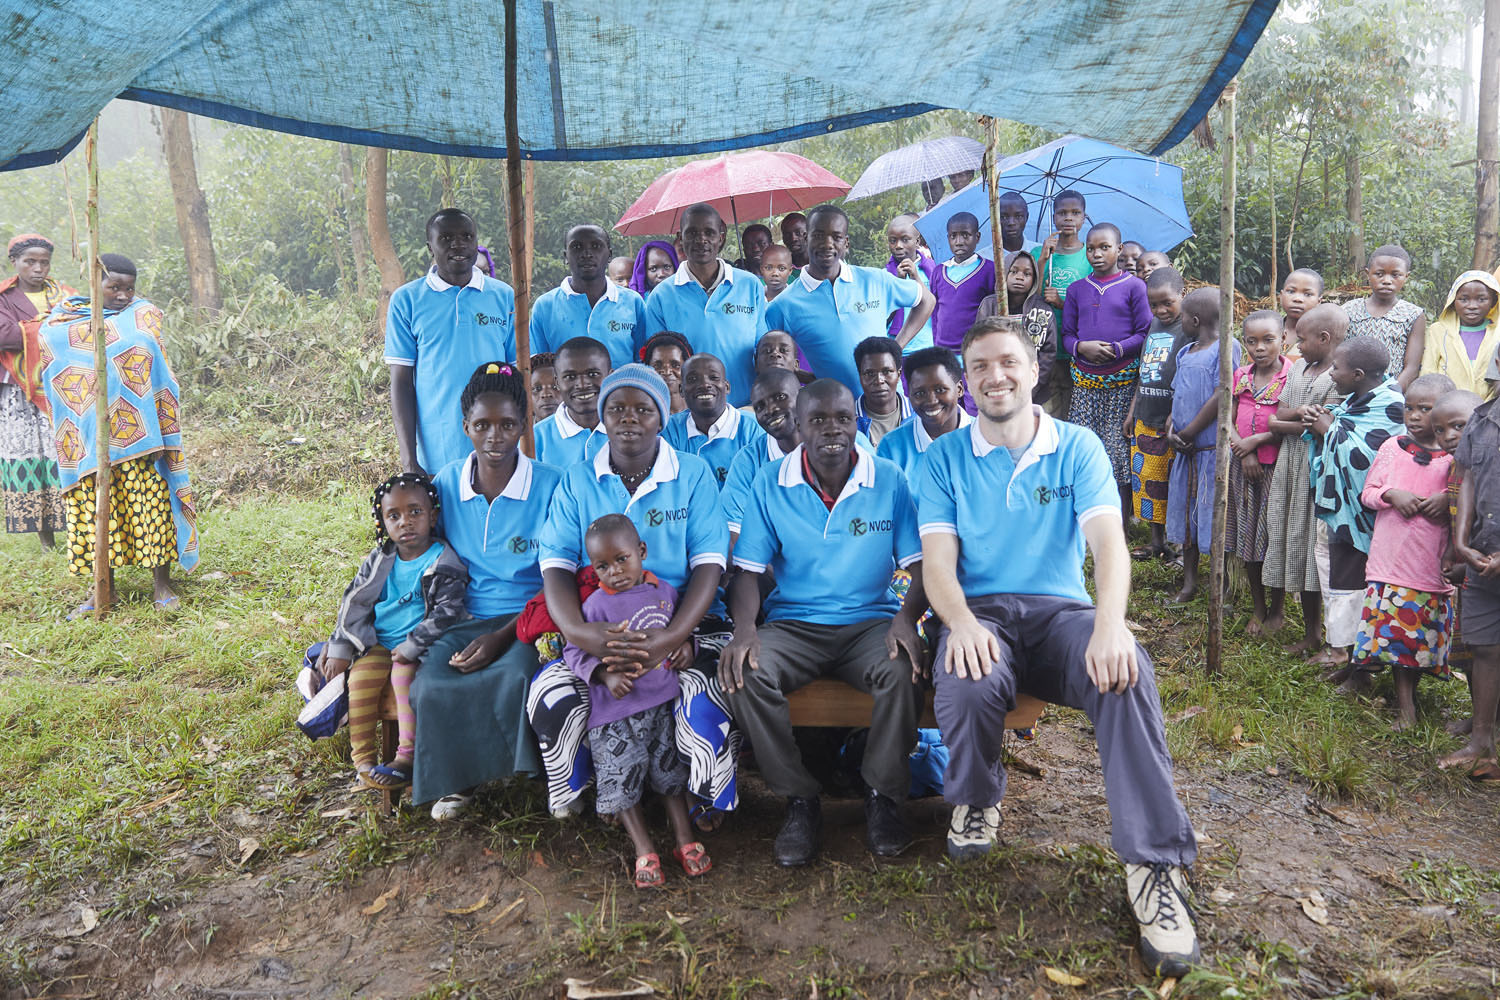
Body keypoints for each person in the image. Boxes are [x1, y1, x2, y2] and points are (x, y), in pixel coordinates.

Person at [917, 316, 1199, 977]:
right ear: (966, 381)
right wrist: (959, 624)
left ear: (1035, 368)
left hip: (1060, 614)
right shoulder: (944, 459)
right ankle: (977, 799)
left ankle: (1154, 865)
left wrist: (1110, 624)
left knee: (1126, 675)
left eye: (1007, 362)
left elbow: (1108, 546)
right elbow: (936, 564)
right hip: (981, 612)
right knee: (967, 677)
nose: (996, 376)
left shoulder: (1076, 447)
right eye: (981, 366)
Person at [720, 379, 927, 865]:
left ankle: (881, 796)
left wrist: (906, 619)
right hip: (795, 624)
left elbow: (921, 568)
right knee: (745, 672)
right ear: (797, 425)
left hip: (870, 622)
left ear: (856, 422)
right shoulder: (771, 482)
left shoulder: (889, 479)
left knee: (903, 669)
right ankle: (799, 799)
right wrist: (745, 631)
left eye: (842, 419)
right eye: (818, 420)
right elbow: (747, 573)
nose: (832, 429)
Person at [536, 364, 739, 828]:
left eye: (643, 409)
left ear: (662, 417)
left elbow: (709, 565)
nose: (629, 419)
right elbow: (556, 567)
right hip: (599, 628)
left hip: (688, 625)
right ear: (602, 418)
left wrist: (670, 639)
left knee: (702, 696)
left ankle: (702, 797)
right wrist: (580, 633)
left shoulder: (692, 473)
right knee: (551, 692)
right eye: (617, 409)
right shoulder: (578, 480)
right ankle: (600, 792)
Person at [413, 362, 562, 819]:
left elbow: (561, 576)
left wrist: (504, 635)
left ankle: (530, 776)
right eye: (482, 425)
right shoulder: (445, 484)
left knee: (516, 674)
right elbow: (423, 556)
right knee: (431, 683)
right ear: (465, 427)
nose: (494, 437)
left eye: (507, 425)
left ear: (524, 424)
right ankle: (458, 781)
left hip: (529, 618)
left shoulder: (551, 484)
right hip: (461, 616)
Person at [38, 254, 197, 617]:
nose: (124, 295)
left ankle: (162, 584)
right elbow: (55, 370)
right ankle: (100, 590)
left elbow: (153, 365)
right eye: (114, 287)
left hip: (140, 435)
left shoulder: (143, 316)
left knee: (150, 507)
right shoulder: (62, 321)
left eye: (129, 287)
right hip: (87, 436)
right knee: (94, 514)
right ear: (95, 284)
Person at [564, 514, 711, 887]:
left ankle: (684, 839)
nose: (614, 571)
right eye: (602, 566)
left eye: (622, 559)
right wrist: (604, 675)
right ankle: (644, 849)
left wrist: (687, 651)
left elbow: (682, 632)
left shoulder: (664, 593)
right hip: (615, 715)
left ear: (641, 551)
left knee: (671, 774)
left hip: (662, 704)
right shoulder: (595, 607)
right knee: (622, 777)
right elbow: (574, 651)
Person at [320, 473, 468, 790]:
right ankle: (363, 761)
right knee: (359, 681)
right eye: (394, 516)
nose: (406, 522)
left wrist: (413, 645)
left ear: (434, 516)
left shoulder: (444, 561)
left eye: (415, 512)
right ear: (382, 523)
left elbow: (448, 611)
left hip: (419, 646)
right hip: (377, 643)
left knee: (403, 677)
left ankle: (406, 756)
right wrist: (340, 648)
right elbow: (353, 603)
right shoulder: (380, 560)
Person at [1350, 374, 1458, 728]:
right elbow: (1369, 493)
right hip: (1390, 562)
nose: (1413, 415)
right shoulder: (1392, 448)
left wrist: (1448, 499)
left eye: (1424, 409)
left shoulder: (1454, 461)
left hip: (1429, 566)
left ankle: (1410, 701)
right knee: (1396, 637)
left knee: (1418, 638)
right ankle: (1405, 708)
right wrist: (1392, 494)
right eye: (1409, 407)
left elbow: (1465, 500)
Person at [386, 208, 517, 475]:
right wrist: (410, 461)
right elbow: (401, 383)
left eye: (466, 236)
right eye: (445, 238)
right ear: (429, 247)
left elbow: (518, 374)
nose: (458, 244)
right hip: (438, 450)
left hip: (498, 445)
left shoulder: (503, 296)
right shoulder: (407, 300)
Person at [1308, 338, 1405, 675]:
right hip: (1342, 508)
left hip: (1362, 513)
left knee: (1352, 581)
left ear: (1359, 374)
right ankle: (1343, 649)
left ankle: (1354, 656)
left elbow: (1371, 459)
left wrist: (1329, 428)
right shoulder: (1357, 398)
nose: (1332, 373)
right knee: (1338, 578)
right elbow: (1347, 425)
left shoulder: (1392, 404)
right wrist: (1328, 418)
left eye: (1337, 368)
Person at [765, 205, 934, 395]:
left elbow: (926, 300)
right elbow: (771, 361)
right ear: (806, 238)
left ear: (846, 243)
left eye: (836, 237)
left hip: (890, 409)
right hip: (834, 415)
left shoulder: (876, 279)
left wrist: (896, 347)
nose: (828, 244)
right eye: (819, 235)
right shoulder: (783, 306)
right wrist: (808, 378)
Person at [1262, 303, 1348, 659]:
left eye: (1302, 339)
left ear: (1324, 338)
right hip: (1288, 468)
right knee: (1292, 540)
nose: (1296, 345)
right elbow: (1277, 417)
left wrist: (1288, 424)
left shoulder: (1339, 377)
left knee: (1316, 549)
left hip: (1317, 473)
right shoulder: (1298, 369)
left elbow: (1323, 427)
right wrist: (1297, 417)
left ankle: (1327, 636)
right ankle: (1310, 631)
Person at [1062, 223, 1152, 504]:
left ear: (1119, 249)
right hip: (1085, 386)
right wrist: (1081, 347)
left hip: (1122, 385)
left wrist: (1118, 348)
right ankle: (1085, 518)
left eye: (1104, 247)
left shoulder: (1134, 287)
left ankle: (1120, 528)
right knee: (1083, 451)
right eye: (1091, 249)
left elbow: (1145, 332)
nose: (1096, 254)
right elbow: (1066, 335)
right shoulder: (1077, 289)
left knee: (1118, 453)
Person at [643, 203, 766, 407]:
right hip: (689, 414)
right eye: (692, 233)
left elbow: (761, 348)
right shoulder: (661, 295)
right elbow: (658, 365)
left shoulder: (749, 285)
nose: (701, 240)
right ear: (680, 238)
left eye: (709, 232)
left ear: (722, 236)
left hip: (745, 410)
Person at [1438, 390, 1500, 773]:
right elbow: (1470, 478)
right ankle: (1481, 745)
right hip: (1483, 553)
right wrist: (1462, 542)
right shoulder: (1482, 419)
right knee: (1484, 647)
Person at [1165, 289, 1240, 603]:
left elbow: (1223, 393)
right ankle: (1189, 583)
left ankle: (1219, 586)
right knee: (1185, 515)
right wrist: (1172, 428)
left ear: (1194, 320)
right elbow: (1178, 395)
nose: (1180, 320)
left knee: (1213, 515)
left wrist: (1192, 430)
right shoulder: (1186, 352)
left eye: (1183, 315)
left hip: (1210, 451)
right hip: (1185, 452)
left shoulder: (1227, 348)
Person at [0, 234, 73, 546]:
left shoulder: (65, 295)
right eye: (30, 261)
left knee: (64, 453)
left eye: (44, 261)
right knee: (32, 455)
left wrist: (32, 328)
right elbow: (5, 336)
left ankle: (76, 527)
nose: (38, 267)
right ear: (14, 262)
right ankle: (46, 538)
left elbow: (81, 326)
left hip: (62, 384)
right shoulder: (4, 298)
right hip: (18, 392)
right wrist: (54, 325)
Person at [1226, 311, 1293, 634]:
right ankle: (1258, 606)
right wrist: (1242, 447)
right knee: (1249, 536)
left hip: (1275, 470)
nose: (1260, 348)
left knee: (1273, 537)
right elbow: (1228, 418)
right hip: (1243, 468)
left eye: (1268, 340)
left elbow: (1289, 424)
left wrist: (1256, 442)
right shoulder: (1241, 376)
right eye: (1251, 341)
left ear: (1284, 340)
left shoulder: (1293, 378)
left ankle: (1278, 609)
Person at [1122, 267, 1188, 559]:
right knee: (1147, 483)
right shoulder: (1154, 326)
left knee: (1172, 485)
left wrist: (1179, 412)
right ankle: (1155, 541)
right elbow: (1144, 372)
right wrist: (1132, 412)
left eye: (1167, 303)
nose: (1160, 310)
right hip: (1145, 416)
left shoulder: (1188, 328)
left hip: (1170, 422)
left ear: (1182, 295)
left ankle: (1177, 546)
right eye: (1154, 305)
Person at [529, 224, 648, 368]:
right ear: (566, 256)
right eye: (577, 247)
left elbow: (643, 362)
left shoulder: (633, 302)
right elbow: (539, 365)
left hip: (622, 389)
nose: (587, 254)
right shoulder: (545, 306)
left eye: (596, 246)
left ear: (609, 254)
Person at [662, 353, 766, 487]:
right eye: (693, 379)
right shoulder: (669, 430)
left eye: (714, 377)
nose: (705, 384)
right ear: (681, 390)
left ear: (727, 387)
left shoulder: (754, 429)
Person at [723, 368, 803, 538]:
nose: (770, 410)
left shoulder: (845, 441)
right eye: (759, 406)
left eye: (780, 397)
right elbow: (731, 531)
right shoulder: (748, 460)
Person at [876, 346, 971, 489]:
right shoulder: (891, 447)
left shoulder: (987, 437)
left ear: (959, 389)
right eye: (920, 393)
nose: (931, 401)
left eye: (940, 390)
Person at [1035, 190, 1091, 413]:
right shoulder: (1040, 254)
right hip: (1045, 347)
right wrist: (1041, 262)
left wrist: (1061, 302)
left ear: (1084, 218)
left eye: (1075, 213)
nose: (1069, 218)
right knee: (1048, 410)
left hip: (1076, 347)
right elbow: (1031, 297)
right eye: (1062, 213)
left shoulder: (1090, 256)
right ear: (1054, 218)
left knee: (1073, 407)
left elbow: (1092, 304)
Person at [975, 251, 1055, 405]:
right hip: (995, 386)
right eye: (1013, 271)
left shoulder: (1042, 310)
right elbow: (978, 343)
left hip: (1033, 392)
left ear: (1035, 279)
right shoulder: (989, 305)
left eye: (1027, 273)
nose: (1020, 277)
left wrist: (1031, 387)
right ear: (1003, 273)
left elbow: (1048, 354)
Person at [1343, 245, 1424, 390]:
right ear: (1368, 274)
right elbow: (1338, 356)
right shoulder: (1349, 310)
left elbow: (1412, 367)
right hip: (1350, 394)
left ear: (1406, 276)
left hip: (1391, 397)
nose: (1387, 280)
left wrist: (1388, 395)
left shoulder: (1413, 315)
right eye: (1379, 274)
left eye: (1395, 275)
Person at [533, 337, 611, 467]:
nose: (582, 385)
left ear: (610, 377)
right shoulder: (536, 438)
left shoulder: (628, 428)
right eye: (570, 377)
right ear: (557, 383)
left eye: (592, 374)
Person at [1422, 269, 1500, 396]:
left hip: (1487, 409)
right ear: (1453, 301)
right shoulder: (1438, 331)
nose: (1472, 305)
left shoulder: (1497, 332)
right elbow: (1427, 371)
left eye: (1481, 299)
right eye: (1464, 299)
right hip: (1445, 407)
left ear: (1493, 302)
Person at [931, 212, 997, 352]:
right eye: (953, 236)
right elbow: (935, 311)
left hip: (975, 349)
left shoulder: (989, 270)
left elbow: (993, 310)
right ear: (948, 238)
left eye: (965, 235)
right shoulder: (939, 271)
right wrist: (936, 344)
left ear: (977, 237)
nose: (959, 241)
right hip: (944, 351)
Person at [885, 214, 937, 354]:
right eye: (893, 241)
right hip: (897, 348)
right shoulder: (885, 275)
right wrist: (898, 282)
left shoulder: (933, 269)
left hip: (929, 346)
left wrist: (915, 277)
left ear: (917, 241)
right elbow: (883, 314)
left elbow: (936, 304)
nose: (898, 246)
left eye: (905, 240)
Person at [853, 336, 913, 446]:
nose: (879, 380)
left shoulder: (920, 414)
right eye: (870, 374)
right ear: (860, 376)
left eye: (887, 371)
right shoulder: (848, 420)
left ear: (899, 375)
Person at [640, 331, 692, 414]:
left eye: (675, 365)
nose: (667, 372)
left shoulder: (701, 413)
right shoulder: (642, 416)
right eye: (657, 365)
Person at [1278, 268, 1323, 358]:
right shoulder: (1269, 329)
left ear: (1319, 301)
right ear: (1281, 296)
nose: (1297, 299)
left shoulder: (1321, 337)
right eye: (1291, 291)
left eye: (1307, 294)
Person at [529, 352, 561, 421]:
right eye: (537, 389)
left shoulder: (587, 430)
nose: (546, 394)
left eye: (555, 387)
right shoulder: (519, 431)